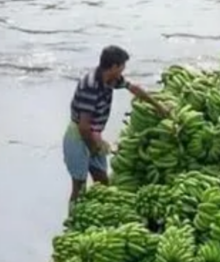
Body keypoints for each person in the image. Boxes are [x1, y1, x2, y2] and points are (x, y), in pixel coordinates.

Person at [63, 45, 166, 206]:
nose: (123, 71)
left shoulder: (111, 80)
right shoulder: (90, 85)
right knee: (79, 185)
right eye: (122, 66)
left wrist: (158, 106)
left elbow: (134, 89)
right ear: (114, 66)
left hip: (94, 134)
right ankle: (73, 221)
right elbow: (84, 126)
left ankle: (102, 213)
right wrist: (93, 148)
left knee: (103, 182)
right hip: (78, 137)